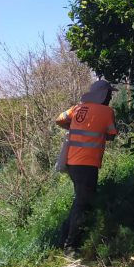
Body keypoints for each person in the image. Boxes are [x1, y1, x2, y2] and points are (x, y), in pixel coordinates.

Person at [55, 79, 117, 248]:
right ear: (103, 95)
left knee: (81, 200)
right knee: (82, 202)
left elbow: (59, 119)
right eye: (109, 94)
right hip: (87, 164)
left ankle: (64, 238)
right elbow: (112, 134)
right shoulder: (107, 112)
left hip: (72, 163)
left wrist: (74, 128)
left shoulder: (77, 108)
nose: (110, 98)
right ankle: (70, 245)